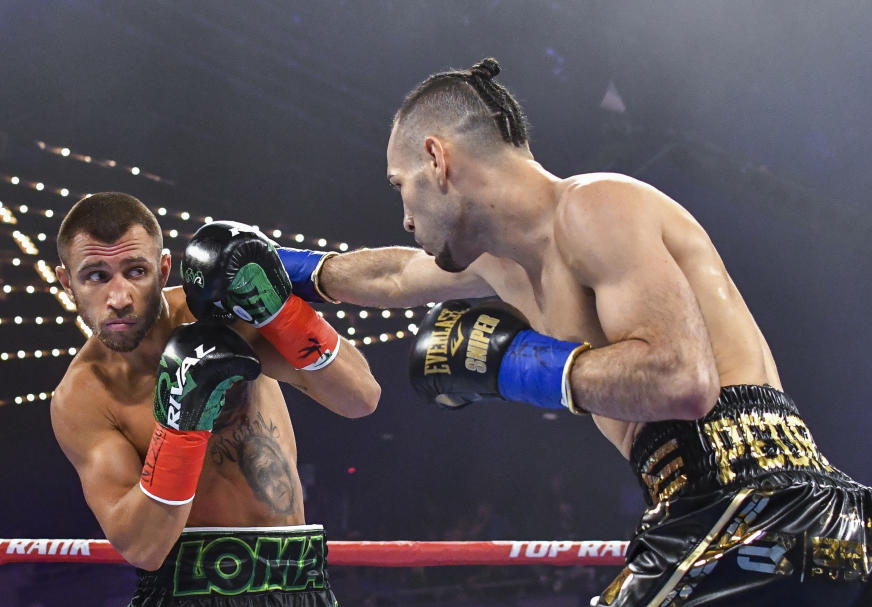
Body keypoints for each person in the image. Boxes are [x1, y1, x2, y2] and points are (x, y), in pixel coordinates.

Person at [276, 59, 872, 605]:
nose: (404, 215)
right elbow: (395, 273)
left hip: (758, 508)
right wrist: (276, 266)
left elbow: (683, 381)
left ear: (437, 159)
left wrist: (514, 365)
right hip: (713, 514)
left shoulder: (596, 207)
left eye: (399, 183)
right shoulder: (499, 264)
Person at [50, 192, 380, 606]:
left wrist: (279, 310)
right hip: (183, 592)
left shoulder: (217, 315)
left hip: (299, 582)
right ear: (66, 281)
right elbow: (143, 549)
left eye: (136, 271)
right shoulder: (83, 396)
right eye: (96, 276)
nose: (119, 298)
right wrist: (181, 421)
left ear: (164, 268)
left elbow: (361, 397)